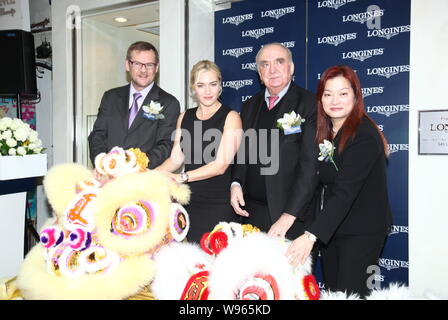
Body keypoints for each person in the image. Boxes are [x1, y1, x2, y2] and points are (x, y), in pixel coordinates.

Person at [286, 65, 392, 297]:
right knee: (335, 293)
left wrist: (310, 236)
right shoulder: (328, 132)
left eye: (343, 93)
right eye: (328, 93)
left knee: (351, 293)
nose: (335, 100)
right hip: (333, 229)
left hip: (362, 231)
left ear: (356, 96)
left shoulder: (363, 134)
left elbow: (345, 193)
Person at [230, 42, 318, 240]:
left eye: (279, 62)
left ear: (291, 68)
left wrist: (290, 215)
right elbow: (244, 152)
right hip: (251, 213)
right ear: (259, 72)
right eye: (265, 64)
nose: (272, 70)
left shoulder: (310, 105)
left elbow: (310, 168)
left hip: (288, 218)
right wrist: (235, 183)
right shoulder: (251, 105)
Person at [156, 60, 242, 243]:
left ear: (220, 86)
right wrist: (149, 175)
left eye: (213, 84)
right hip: (189, 203)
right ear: (193, 88)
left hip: (219, 204)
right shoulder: (184, 117)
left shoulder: (231, 117)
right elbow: (175, 159)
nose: (208, 91)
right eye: (201, 85)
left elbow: (220, 166)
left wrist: (182, 178)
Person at [88, 41, 180, 169]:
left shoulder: (169, 103)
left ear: (156, 68)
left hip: (143, 180)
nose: (143, 70)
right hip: (108, 178)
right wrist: (104, 164)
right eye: (137, 64)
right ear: (127, 65)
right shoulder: (110, 97)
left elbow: (165, 145)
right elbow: (97, 136)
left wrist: (133, 166)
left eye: (149, 65)